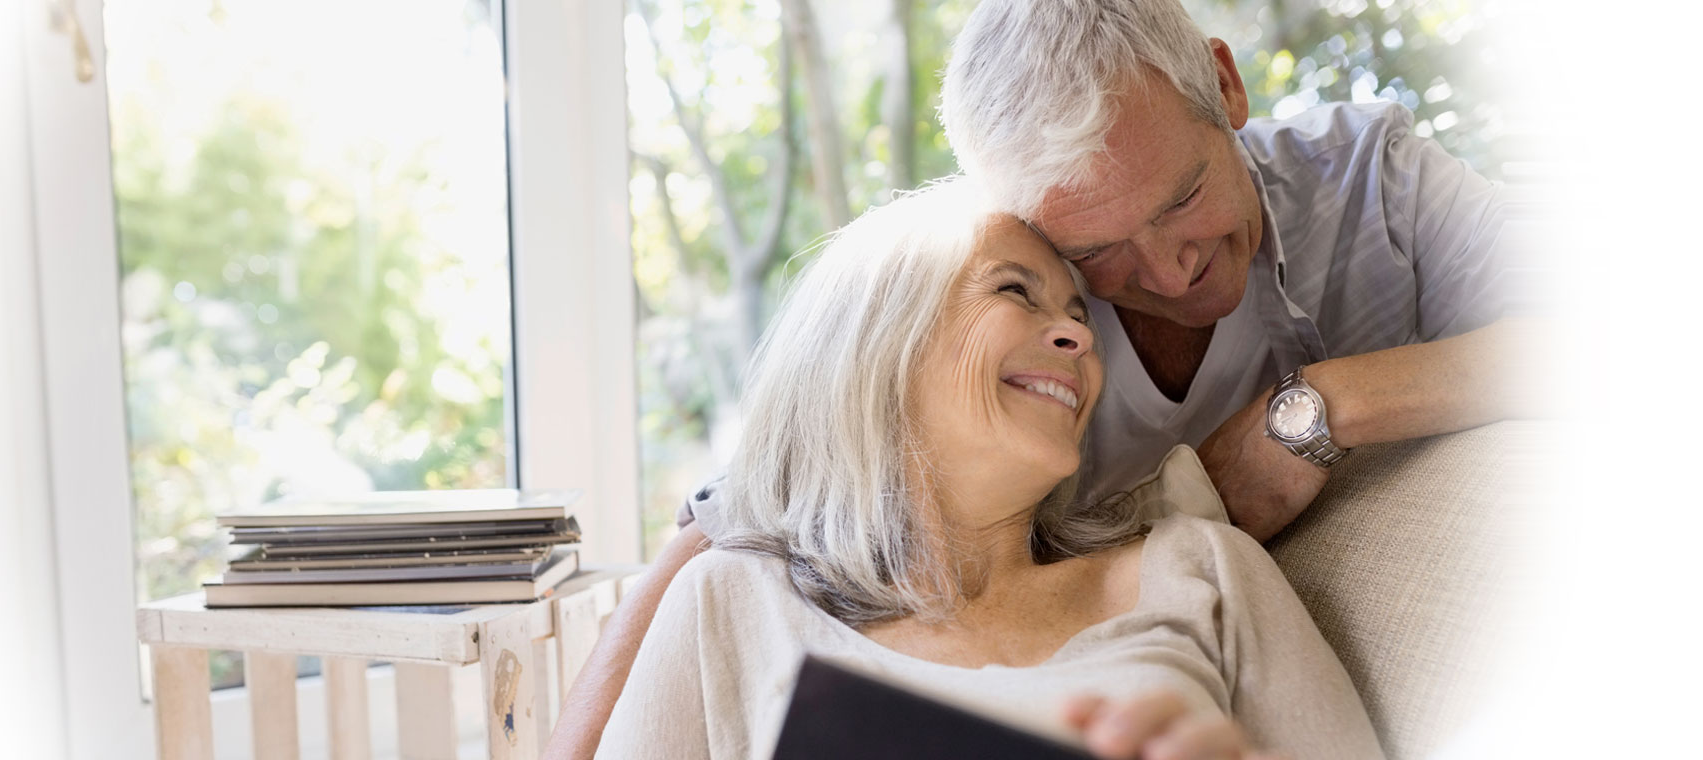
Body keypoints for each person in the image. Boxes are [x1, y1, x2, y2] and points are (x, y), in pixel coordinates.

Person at [546, 1, 1527, 754]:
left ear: (1227, 87)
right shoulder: (742, 600)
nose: (1166, 269)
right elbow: (727, 518)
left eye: (1184, 197)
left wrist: (1318, 409)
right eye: (1091, 254)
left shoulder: (1370, 191)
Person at [591, 178, 1382, 759]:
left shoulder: (1202, 570)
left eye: (1078, 313)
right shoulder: (729, 601)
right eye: (1016, 293)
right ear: (875, 346)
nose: (1078, 338)